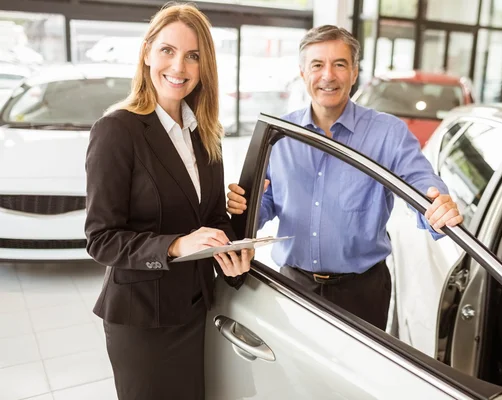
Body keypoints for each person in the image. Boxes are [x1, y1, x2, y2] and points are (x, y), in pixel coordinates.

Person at [226, 25, 462, 331]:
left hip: (363, 292)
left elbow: (421, 180)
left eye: (339, 64)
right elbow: (266, 202)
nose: (328, 76)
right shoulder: (277, 134)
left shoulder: (387, 133)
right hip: (291, 286)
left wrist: (436, 202)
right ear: (302, 73)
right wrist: (244, 208)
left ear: (354, 72)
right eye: (317, 65)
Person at [85, 4, 250, 399]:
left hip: (195, 310)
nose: (179, 66)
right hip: (141, 320)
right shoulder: (117, 130)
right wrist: (176, 245)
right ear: (146, 53)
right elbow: (101, 239)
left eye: (193, 56)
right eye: (167, 50)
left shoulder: (205, 134)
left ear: (204, 66)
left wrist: (232, 252)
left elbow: (210, 216)